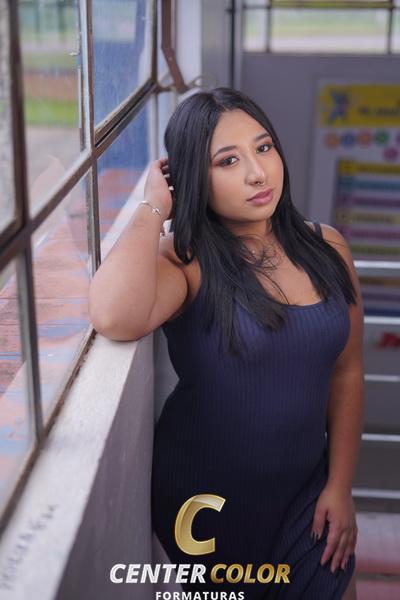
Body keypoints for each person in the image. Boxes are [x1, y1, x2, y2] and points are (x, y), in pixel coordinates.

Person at [88, 87, 364, 599]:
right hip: (207, 505)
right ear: (193, 176)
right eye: (228, 161)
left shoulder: (327, 247)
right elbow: (113, 315)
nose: (257, 173)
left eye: (264, 148)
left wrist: (340, 485)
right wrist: (153, 206)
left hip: (307, 492)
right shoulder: (186, 261)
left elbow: (347, 371)